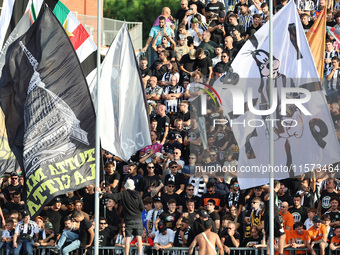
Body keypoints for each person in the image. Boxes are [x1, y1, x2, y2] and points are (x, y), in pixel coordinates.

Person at [98, 179, 145, 255]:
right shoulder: (137, 194)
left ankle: (126, 253)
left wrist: (102, 193)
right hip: (138, 218)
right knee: (139, 238)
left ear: (126, 187)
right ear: (133, 187)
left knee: (127, 238)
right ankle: (140, 254)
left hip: (128, 219)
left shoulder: (124, 193)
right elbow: (142, 207)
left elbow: (114, 196)